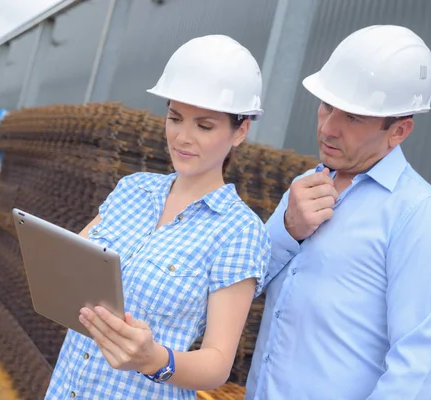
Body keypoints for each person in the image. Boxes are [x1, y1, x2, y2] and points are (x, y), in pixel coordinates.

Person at [44, 34, 271, 400]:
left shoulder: (239, 232)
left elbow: (216, 364)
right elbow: (73, 262)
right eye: (175, 118)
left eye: (205, 125)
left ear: (240, 131)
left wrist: (155, 359)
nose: (183, 137)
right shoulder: (132, 190)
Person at [245, 25, 431, 400]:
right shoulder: (304, 187)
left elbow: (418, 369)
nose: (328, 128)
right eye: (327, 106)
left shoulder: (418, 215)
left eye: (353, 117)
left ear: (399, 131)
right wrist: (286, 228)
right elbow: (243, 286)